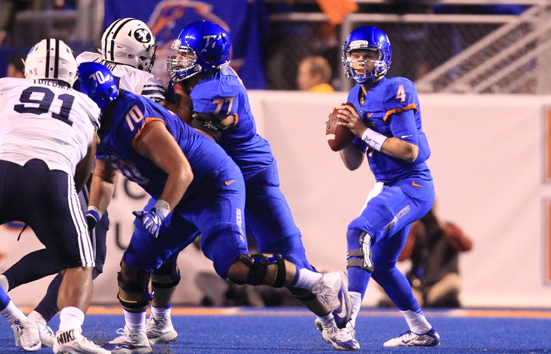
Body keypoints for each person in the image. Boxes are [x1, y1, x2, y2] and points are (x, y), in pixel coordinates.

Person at [75, 61, 351, 354]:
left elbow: (182, 169)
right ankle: (136, 335)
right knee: (134, 263)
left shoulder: (140, 117)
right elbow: (104, 175)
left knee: (235, 266)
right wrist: (93, 213)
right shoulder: (102, 122)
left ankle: (321, 283)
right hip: (181, 189)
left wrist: (161, 209)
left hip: (215, 183)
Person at [141, 20, 355, 351]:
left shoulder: (217, 89)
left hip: (247, 176)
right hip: (207, 178)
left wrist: (159, 109)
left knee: (290, 259)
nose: (179, 61)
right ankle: (160, 318)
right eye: (180, 54)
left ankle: (330, 321)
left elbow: (194, 143)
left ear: (209, 58)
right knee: (158, 241)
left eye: (188, 55)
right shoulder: (197, 78)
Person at [0, 17, 164, 348]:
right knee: (87, 258)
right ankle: (38, 318)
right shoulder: (146, 82)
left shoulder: (85, 61)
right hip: (88, 161)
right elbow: (156, 128)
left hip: (66, 156)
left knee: (76, 252)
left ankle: (11, 293)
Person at [0, 38, 110, 354]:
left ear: (30, 68)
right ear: (71, 73)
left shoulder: (7, 89)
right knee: (81, 262)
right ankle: (68, 333)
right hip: (53, 179)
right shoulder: (86, 105)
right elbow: (84, 169)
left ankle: (7, 306)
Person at [330, 26, 440, 350]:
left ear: (383, 58)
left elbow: (410, 152)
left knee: (358, 232)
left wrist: (361, 130)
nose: (361, 61)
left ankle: (345, 325)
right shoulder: (353, 97)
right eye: (356, 54)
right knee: (380, 265)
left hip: (412, 184)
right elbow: (353, 163)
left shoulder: (399, 89)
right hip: (387, 185)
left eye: (369, 55)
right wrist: (340, 139)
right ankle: (422, 330)